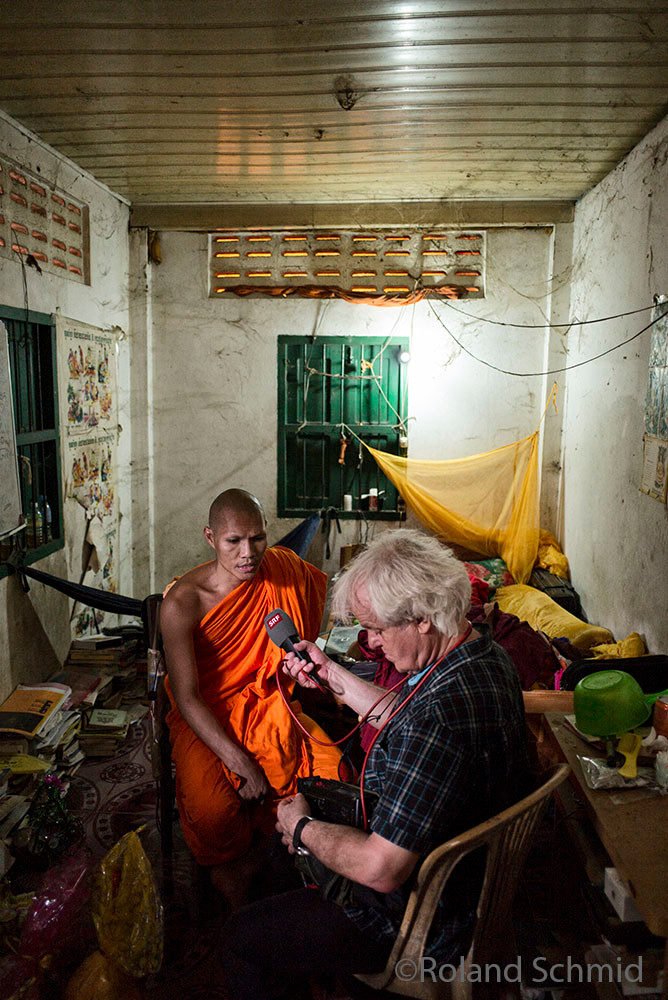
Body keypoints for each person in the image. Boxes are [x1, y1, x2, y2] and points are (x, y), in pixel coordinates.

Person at [222, 528, 529, 1000]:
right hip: (453, 868)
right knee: (274, 868)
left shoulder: (439, 720)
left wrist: (302, 828)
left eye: (378, 628)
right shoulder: (478, 655)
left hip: (418, 916)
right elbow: (400, 715)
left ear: (423, 619)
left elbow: (380, 868)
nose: (370, 641)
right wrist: (329, 673)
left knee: (240, 939)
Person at [160, 488, 341, 885]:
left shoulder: (283, 569)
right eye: (234, 541)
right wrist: (239, 762)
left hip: (269, 703)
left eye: (258, 538)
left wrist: (295, 670)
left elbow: (294, 644)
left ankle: (269, 864)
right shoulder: (182, 603)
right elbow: (187, 698)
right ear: (211, 539)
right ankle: (239, 884)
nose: (249, 553)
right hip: (208, 715)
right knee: (212, 811)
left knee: (333, 775)